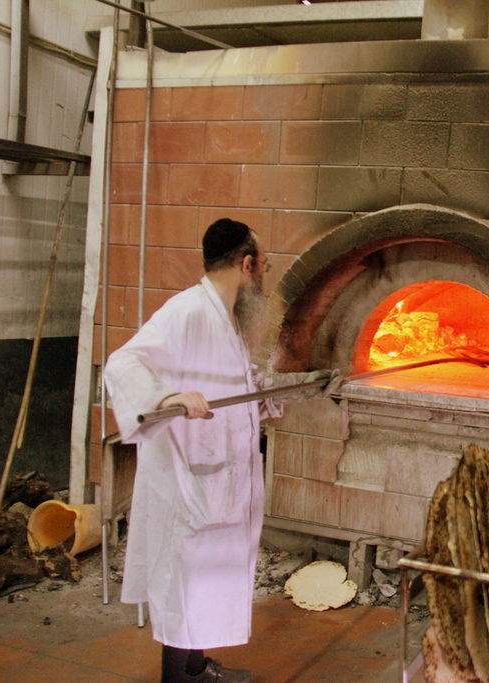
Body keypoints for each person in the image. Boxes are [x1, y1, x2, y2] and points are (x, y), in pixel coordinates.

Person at [104, 218, 338, 682]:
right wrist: (168, 399)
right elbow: (123, 362)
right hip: (190, 478)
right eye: (264, 267)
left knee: (207, 580)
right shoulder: (187, 311)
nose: (263, 277)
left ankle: (196, 666)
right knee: (185, 582)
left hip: (222, 476)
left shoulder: (225, 319)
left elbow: (235, 389)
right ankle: (179, 677)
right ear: (247, 264)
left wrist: (290, 391)